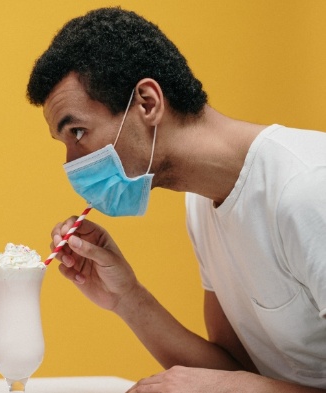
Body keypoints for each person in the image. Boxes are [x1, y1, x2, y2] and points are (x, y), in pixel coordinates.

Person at [27, 7, 326, 392]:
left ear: (147, 103)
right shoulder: (203, 203)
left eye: (79, 132)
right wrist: (126, 298)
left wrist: (225, 390)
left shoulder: (308, 190)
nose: (71, 163)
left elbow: (229, 386)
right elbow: (233, 369)